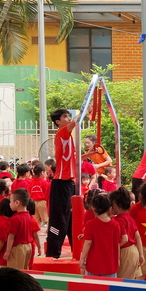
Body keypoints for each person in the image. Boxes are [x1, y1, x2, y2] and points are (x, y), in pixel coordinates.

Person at [80, 192, 126, 291]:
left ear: (93, 208)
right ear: (109, 208)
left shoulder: (91, 224)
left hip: (93, 262)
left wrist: (82, 258)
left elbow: (88, 243)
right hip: (110, 262)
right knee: (111, 289)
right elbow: (117, 243)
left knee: (89, 287)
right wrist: (117, 259)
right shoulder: (115, 225)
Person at [46, 109, 81, 258]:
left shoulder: (68, 137)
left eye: (68, 116)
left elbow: (72, 157)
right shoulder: (62, 132)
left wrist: (89, 154)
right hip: (61, 183)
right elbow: (75, 121)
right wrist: (86, 109)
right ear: (58, 122)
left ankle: (76, 250)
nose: (68, 118)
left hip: (69, 183)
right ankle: (53, 253)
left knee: (73, 217)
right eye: (65, 116)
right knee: (59, 218)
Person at [1, 189, 38, 270]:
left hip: (18, 248)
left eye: (11, 202)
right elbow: (35, 234)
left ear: (17, 203)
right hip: (28, 246)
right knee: (25, 269)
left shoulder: (15, 219)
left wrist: (8, 251)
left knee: (14, 271)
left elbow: (11, 237)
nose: (10, 204)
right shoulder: (29, 217)